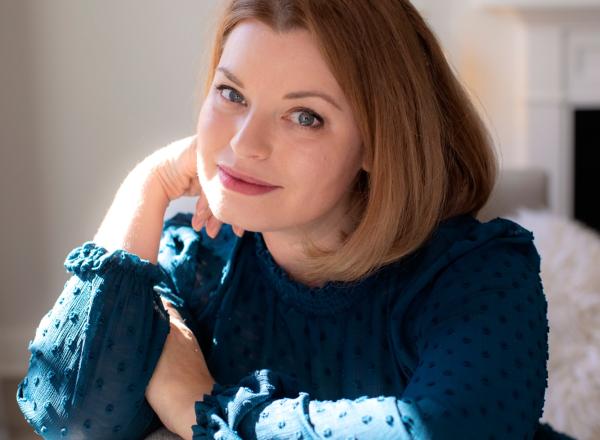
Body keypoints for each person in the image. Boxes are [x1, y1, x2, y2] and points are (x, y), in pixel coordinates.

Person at [15, 1, 576, 439]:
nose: (243, 143)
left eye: (304, 116)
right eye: (231, 94)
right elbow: (68, 416)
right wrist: (150, 180)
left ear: (379, 145)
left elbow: (445, 431)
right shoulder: (197, 265)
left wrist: (203, 409)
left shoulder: (480, 274)